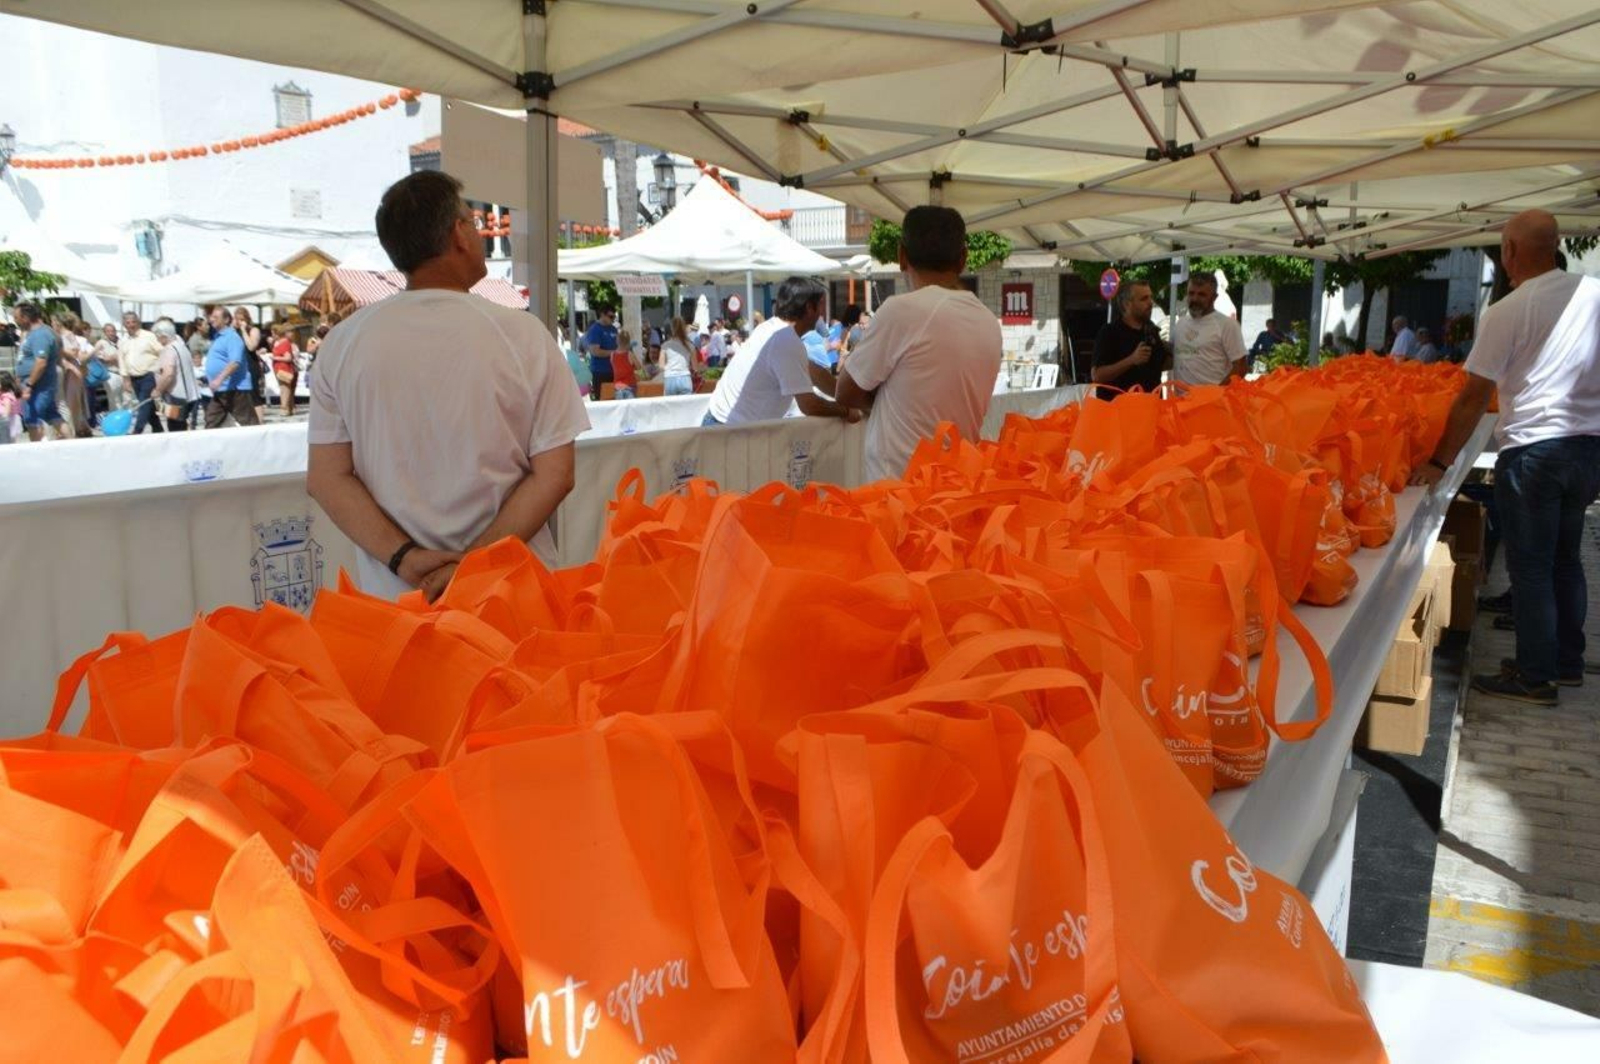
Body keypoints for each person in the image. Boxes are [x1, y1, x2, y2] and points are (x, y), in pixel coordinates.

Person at [307, 170, 588, 602]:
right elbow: (555, 474)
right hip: (510, 597)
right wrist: (473, 566)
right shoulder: (521, 335)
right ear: (459, 234)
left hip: (397, 600)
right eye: (475, 224)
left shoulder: (342, 344)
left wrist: (403, 558)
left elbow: (328, 479)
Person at [1411, 209, 1600, 705]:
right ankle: (1567, 662)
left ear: (1509, 252)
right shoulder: (1594, 293)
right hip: (1586, 448)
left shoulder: (1509, 309)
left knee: (1532, 567)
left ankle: (1537, 675)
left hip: (1535, 451)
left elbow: (1474, 395)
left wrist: (1439, 461)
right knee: (1566, 559)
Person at [835, 206, 1004, 483]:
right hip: (958, 490)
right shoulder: (989, 323)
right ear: (963, 259)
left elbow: (846, 391)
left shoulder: (901, 311)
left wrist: (886, 397)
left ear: (902, 256)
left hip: (899, 495)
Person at [704, 276, 859, 428]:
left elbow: (814, 372)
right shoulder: (786, 340)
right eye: (820, 306)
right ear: (809, 308)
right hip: (729, 430)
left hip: (724, 424)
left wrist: (849, 397)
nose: (821, 313)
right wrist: (847, 411)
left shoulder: (771, 328)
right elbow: (809, 405)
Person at [1091, 280, 1171, 400]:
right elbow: (1097, 375)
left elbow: (1160, 364)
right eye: (1144, 299)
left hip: (1151, 410)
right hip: (1120, 412)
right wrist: (1131, 360)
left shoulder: (1151, 331)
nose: (1150, 303)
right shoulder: (1110, 332)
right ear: (1127, 304)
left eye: (1150, 297)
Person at [1171, 274, 1247, 386]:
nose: (1195, 299)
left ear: (1214, 297)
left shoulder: (1227, 325)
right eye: (1191, 293)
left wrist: (1217, 395)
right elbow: (1172, 355)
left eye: (1202, 295)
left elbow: (1241, 367)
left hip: (1213, 402)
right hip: (1180, 401)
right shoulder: (1180, 324)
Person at [12, 302, 64, 441]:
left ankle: (34, 453)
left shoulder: (41, 335)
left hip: (39, 384)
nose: (14, 321)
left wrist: (29, 385)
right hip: (31, 383)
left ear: (25, 317)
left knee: (32, 418)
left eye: (16, 317)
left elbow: (41, 362)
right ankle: (71, 442)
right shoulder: (30, 334)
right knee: (52, 415)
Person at [203, 306, 259, 428]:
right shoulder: (219, 337)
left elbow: (235, 362)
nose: (212, 320)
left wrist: (218, 379)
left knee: (248, 422)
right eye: (212, 317)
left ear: (227, 320)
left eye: (216, 317)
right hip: (222, 389)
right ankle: (208, 444)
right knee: (211, 420)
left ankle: (259, 445)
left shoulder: (232, 337)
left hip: (235, 389)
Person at [118, 310, 166, 434]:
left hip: (148, 375)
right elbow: (121, 360)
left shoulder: (148, 336)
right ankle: (158, 429)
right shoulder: (123, 341)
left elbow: (161, 351)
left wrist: (161, 369)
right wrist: (125, 379)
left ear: (138, 322)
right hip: (134, 378)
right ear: (124, 324)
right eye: (128, 322)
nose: (131, 325)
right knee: (147, 406)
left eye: (133, 322)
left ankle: (137, 431)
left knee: (144, 404)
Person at [153, 318, 200, 431]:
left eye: (157, 336)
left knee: (175, 428)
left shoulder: (169, 350)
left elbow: (168, 374)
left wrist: (158, 390)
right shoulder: (182, 346)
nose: (157, 339)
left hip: (176, 398)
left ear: (163, 335)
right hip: (191, 395)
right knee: (183, 427)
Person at [234, 307, 270, 421]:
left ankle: (259, 422)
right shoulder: (233, 332)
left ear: (247, 319)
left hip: (250, 365)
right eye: (237, 319)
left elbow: (251, 346)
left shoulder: (253, 330)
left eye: (241, 319)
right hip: (238, 366)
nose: (239, 322)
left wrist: (244, 330)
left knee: (254, 396)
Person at [584, 307, 618, 400]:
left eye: (614, 317)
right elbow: (595, 351)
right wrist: (614, 353)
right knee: (603, 400)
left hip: (614, 371)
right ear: (602, 315)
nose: (613, 319)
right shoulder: (595, 329)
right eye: (611, 316)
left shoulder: (614, 329)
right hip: (600, 372)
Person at [659, 317, 696, 396]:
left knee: (670, 407)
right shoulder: (690, 345)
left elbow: (661, 366)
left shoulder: (665, 345)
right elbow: (695, 367)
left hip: (670, 378)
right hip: (685, 377)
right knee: (686, 407)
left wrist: (670, 368)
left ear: (672, 328)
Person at [271, 324, 300, 418]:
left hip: (284, 368)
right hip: (281, 368)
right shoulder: (281, 343)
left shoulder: (284, 343)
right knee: (285, 388)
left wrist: (275, 357)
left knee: (285, 389)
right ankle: (288, 407)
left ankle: (285, 408)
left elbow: (288, 357)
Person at [611, 328, 638, 399]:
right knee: (631, 408)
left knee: (620, 408)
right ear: (628, 342)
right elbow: (639, 367)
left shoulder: (612, 355)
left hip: (617, 387)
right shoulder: (629, 354)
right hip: (630, 386)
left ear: (617, 341)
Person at [0, 371, 21, 444]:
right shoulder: (8, 395)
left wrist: (3, 420)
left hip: (8, 424)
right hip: (10, 422)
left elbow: (6, 412)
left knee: (7, 443)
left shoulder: (6, 397)